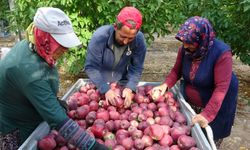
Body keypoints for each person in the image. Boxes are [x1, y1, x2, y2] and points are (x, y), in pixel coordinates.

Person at [0, 7, 107, 150]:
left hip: (32, 114)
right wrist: (95, 147)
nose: (65, 49)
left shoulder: (36, 47)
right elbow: (58, 120)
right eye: (60, 43)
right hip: (17, 128)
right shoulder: (27, 70)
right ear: (43, 36)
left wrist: (53, 100)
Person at [151, 16, 238, 148]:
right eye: (184, 41)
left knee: (209, 138)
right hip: (193, 98)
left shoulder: (221, 53)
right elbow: (176, 71)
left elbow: (221, 88)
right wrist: (165, 85)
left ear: (202, 38)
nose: (186, 46)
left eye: (190, 43)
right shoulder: (185, 49)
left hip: (215, 103)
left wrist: (207, 114)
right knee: (190, 136)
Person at [84, 6, 147, 108]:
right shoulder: (100, 37)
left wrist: (130, 87)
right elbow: (91, 67)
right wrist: (105, 88)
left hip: (120, 83)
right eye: (122, 36)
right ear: (115, 27)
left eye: (130, 38)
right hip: (99, 82)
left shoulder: (139, 40)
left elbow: (136, 67)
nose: (126, 41)